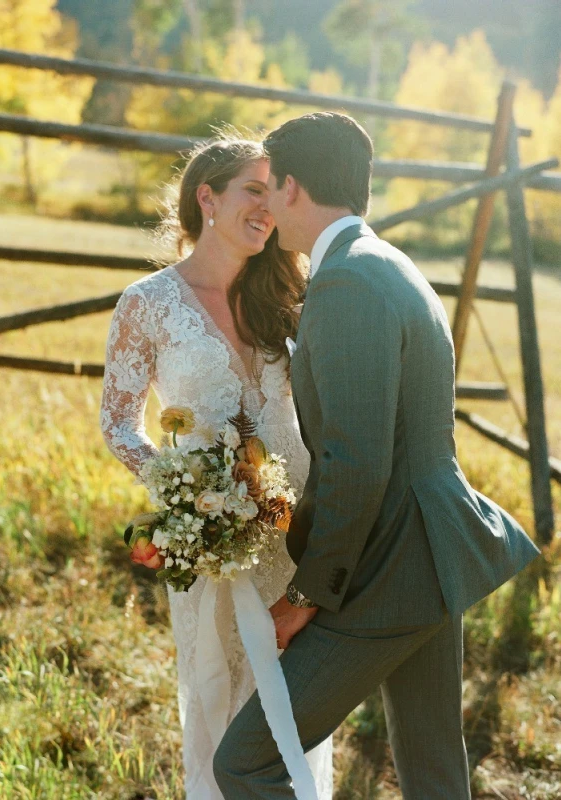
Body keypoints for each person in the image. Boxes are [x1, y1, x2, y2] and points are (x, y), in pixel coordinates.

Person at [212, 112, 541, 799]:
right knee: (433, 772)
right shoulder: (385, 264)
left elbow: (357, 464)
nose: (266, 204)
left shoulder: (349, 284)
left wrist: (304, 597)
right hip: (432, 556)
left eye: (270, 187)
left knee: (246, 763)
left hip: (389, 564)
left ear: (294, 187)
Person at [99, 134, 333, 799]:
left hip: (297, 536)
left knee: (297, 699)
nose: (268, 208)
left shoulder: (289, 293)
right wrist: (186, 493)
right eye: (252, 191)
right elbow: (119, 425)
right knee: (220, 691)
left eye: (274, 192)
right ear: (207, 196)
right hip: (215, 544)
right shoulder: (148, 303)